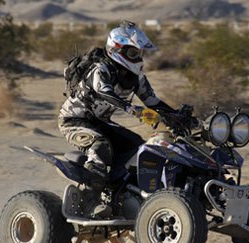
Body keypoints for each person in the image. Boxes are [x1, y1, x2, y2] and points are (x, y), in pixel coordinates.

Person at [58, 20, 176, 218]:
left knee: (138, 147)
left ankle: (118, 194)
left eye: (139, 53)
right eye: (132, 53)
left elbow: (152, 101)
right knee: (101, 146)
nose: (137, 58)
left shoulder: (135, 76)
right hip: (74, 121)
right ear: (116, 49)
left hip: (101, 122)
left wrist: (177, 115)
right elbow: (104, 92)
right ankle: (90, 202)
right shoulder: (100, 69)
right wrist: (134, 110)